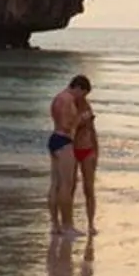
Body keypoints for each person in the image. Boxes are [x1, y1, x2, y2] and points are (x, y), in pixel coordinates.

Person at [47, 75, 92, 233]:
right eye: (84, 94)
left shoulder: (57, 98)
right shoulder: (68, 100)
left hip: (54, 138)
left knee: (55, 184)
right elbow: (66, 125)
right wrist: (81, 120)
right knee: (67, 184)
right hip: (64, 141)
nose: (82, 98)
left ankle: (55, 225)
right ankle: (67, 225)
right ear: (78, 88)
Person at [72, 90, 100, 233]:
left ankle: (91, 223)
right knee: (70, 186)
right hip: (72, 148)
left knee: (89, 187)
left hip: (88, 147)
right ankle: (68, 222)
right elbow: (67, 129)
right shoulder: (69, 105)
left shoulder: (87, 106)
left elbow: (92, 129)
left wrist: (96, 151)